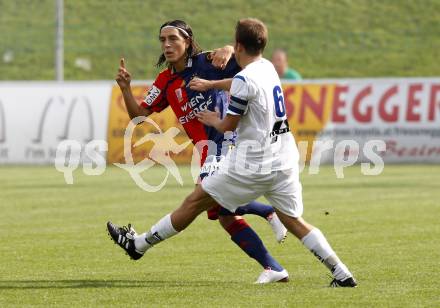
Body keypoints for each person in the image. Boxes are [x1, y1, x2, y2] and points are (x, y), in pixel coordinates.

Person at [108, 18, 357, 287]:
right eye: (163, 40)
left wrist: (225, 52)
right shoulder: (168, 81)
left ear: (188, 41)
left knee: (197, 203)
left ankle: (139, 245)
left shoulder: (210, 62)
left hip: (234, 151)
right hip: (277, 156)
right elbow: (140, 116)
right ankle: (333, 271)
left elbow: (236, 91)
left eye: (173, 39)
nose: (167, 45)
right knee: (237, 215)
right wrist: (125, 89)